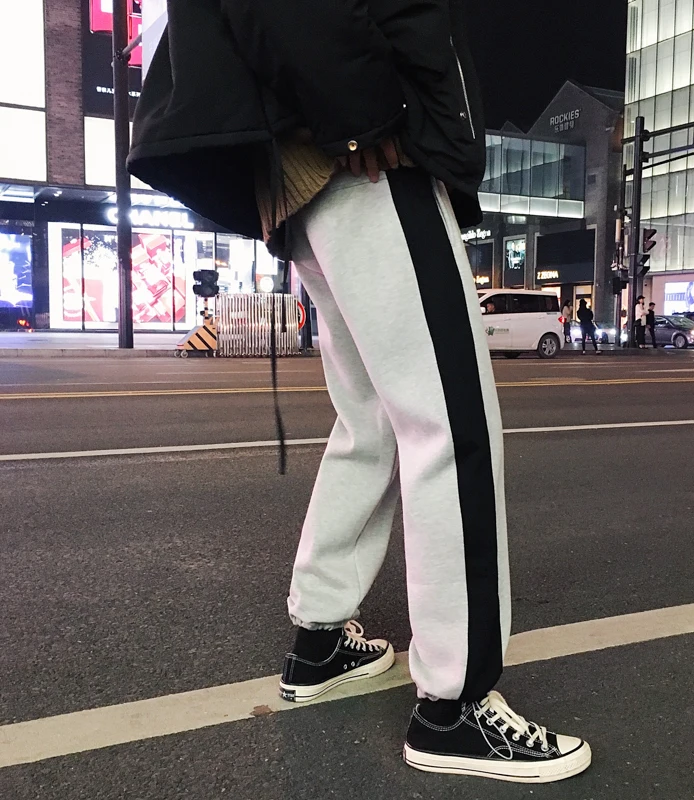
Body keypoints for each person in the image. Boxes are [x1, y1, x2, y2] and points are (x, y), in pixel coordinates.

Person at [128, 1, 591, 785]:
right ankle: (455, 707)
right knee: (450, 424)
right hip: (366, 152)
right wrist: (363, 112)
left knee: (372, 419)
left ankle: (320, 641)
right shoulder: (363, 126)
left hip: (310, 160)